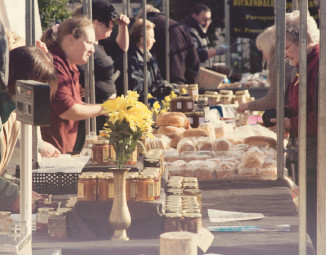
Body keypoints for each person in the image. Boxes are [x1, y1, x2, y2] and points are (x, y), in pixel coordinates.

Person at [273, 10, 319, 248]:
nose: (285, 54)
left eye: (287, 47)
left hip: (317, 161)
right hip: (307, 157)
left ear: (302, 40)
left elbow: (321, 116)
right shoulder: (305, 63)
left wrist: (292, 123)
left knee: (314, 219)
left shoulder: (319, 63)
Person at [40, 16, 104, 154]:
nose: (93, 50)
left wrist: (109, 107)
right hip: (50, 154)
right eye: (89, 42)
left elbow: (76, 104)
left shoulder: (69, 65)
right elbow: (68, 110)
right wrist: (105, 109)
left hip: (60, 151)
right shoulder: (55, 65)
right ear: (71, 39)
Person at [72, 1, 130, 150]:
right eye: (109, 23)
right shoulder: (84, 45)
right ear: (96, 22)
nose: (112, 26)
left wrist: (123, 27)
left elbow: (122, 49)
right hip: (92, 111)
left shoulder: (102, 45)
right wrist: (76, 86)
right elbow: (74, 66)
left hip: (103, 111)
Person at [237, 25, 298, 114]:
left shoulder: (279, 63)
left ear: (268, 47)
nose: (263, 56)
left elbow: (273, 100)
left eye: (262, 50)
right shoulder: (282, 61)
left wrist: (247, 106)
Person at [136, 5, 200, 84]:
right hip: (180, 82)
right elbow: (193, 60)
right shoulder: (179, 26)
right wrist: (191, 84)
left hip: (157, 85)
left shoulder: (146, 27)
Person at [114, 18, 170, 102]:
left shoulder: (148, 56)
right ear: (142, 39)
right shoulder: (130, 59)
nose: (154, 40)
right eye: (151, 37)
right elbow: (136, 88)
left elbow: (157, 79)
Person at [181, 4, 228, 68]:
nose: (207, 23)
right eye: (204, 20)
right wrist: (216, 51)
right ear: (194, 16)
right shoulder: (189, 31)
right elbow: (195, 54)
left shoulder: (199, 31)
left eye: (209, 20)